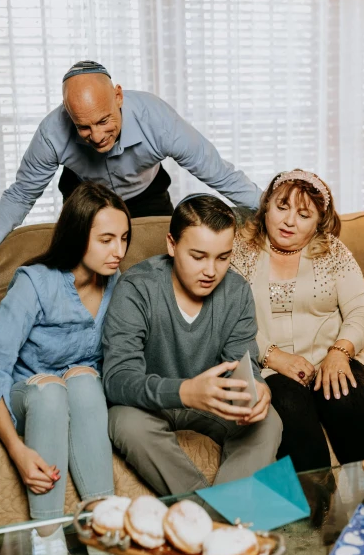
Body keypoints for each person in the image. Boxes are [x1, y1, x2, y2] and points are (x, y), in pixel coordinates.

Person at [0, 181, 131, 555]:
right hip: (28, 399)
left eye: (123, 238)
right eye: (106, 239)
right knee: (50, 391)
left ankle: (103, 551)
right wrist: (18, 452)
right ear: (78, 235)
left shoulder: (119, 284)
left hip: (81, 397)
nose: (119, 250)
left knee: (82, 379)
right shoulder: (34, 283)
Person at [0, 60, 262, 274]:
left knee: (166, 269)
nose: (96, 137)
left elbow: (219, 173)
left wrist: (271, 209)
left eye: (103, 121)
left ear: (118, 96)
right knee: (82, 271)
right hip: (84, 194)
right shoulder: (52, 132)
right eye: (83, 127)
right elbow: (21, 194)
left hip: (147, 195)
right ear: (67, 113)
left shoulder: (156, 120)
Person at [102, 194, 282, 496]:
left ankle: (215, 517)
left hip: (215, 402)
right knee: (124, 422)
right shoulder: (136, 287)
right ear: (172, 245)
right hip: (152, 405)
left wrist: (258, 387)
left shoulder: (236, 292)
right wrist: (184, 391)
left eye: (222, 257)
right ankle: (205, 512)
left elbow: (244, 363)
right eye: (198, 256)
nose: (211, 271)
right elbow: (118, 379)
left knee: (269, 422)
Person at [230, 169, 364, 473]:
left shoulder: (333, 252)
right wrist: (274, 357)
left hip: (330, 359)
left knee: (346, 395)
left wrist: (340, 352)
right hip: (269, 368)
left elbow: (361, 312)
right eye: (281, 207)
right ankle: (318, 513)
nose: (289, 221)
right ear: (266, 208)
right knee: (289, 405)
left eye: (303, 214)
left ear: (318, 223)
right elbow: (228, 322)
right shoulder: (239, 251)